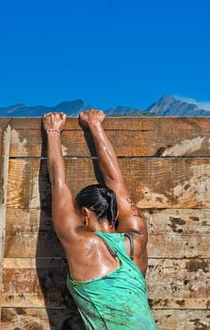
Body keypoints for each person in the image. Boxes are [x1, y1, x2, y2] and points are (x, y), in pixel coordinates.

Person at [42, 109, 157, 330]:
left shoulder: (80, 243)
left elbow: (59, 184)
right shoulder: (137, 237)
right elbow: (116, 182)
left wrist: (53, 131)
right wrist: (95, 125)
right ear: (114, 212)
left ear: (84, 214)